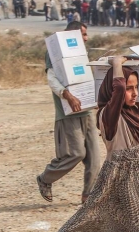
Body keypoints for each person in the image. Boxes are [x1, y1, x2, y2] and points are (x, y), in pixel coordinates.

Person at [57, 56, 139, 231]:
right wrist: (117, 63)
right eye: (129, 89)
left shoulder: (133, 114)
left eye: (136, 88)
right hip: (118, 177)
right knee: (133, 224)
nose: (134, 93)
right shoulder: (109, 116)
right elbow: (117, 88)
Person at [37, 21, 101, 205]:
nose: (86, 38)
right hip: (68, 114)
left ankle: (88, 197)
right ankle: (45, 179)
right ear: (72, 34)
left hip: (86, 112)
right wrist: (67, 95)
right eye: (83, 34)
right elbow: (52, 78)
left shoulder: (80, 53)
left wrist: (94, 98)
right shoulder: (53, 51)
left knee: (95, 159)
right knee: (76, 153)